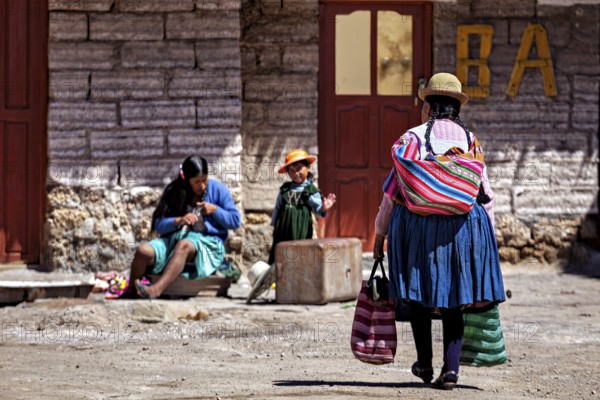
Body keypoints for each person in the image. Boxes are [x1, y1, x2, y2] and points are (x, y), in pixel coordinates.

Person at [373, 73, 505, 390]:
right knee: (454, 298)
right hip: (464, 227)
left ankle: (425, 364)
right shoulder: (471, 141)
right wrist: (489, 242)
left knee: (419, 295)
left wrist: (380, 236)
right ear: (455, 107)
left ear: (428, 106)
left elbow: (392, 194)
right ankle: (452, 370)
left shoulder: (412, 139)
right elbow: (485, 195)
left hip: (417, 227)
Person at [124, 155, 241, 299]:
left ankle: (155, 290)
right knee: (143, 251)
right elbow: (159, 225)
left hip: (208, 244)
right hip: (174, 239)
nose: (202, 185)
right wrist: (179, 220)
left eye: (204, 180)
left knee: (184, 245)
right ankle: (130, 291)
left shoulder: (218, 190)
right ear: (186, 180)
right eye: (197, 182)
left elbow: (235, 221)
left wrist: (215, 210)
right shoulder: (175, 191)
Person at [268, 149, 336, 265]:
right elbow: (277, 208)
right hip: (282, 231)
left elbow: (318, 210)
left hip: (301, 230)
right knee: (281, 255)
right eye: (292, 171)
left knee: (299, 255)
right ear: (288, 173)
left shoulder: (311, 191)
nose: (296, 174)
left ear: (308, 167)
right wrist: (274, 225)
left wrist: (324, 207)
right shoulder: (285, 189)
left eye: (299, 169)